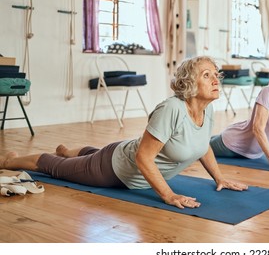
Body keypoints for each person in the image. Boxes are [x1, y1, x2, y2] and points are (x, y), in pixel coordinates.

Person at [0, 56, 248, 209]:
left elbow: (202, 144)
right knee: (53, 166)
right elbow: (143, 158)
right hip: (112, 169)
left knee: (85, 156)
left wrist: (220, 179)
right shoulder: (172, 108)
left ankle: (68, 151)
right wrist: (168, 195)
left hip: (123, 152)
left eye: (217, 75)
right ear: (189, 83)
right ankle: (10, 159)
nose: (216, 80)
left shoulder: (207, 109)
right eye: (207, 75)